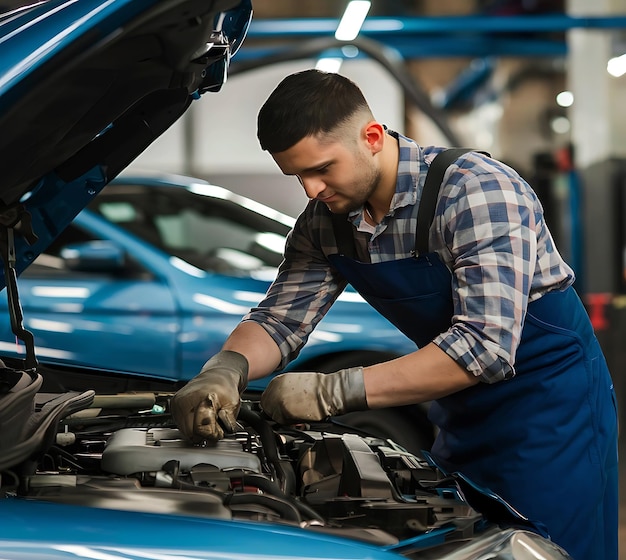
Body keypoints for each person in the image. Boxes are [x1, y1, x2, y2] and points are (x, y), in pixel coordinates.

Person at [171, 69, 618, 559]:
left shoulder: (476, 191)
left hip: (552, 411)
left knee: (549, 549)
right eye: (297, 175)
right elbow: (280, 320)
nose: (310, 190)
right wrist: (224, 370)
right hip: (460, 412)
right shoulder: (326, 224)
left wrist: (330, 391)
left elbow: (485, 348)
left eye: (322, 168)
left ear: (372, 136)